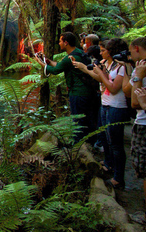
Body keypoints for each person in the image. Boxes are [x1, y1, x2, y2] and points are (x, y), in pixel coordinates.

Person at [73, 38, 130, 189]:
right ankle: (109, 164)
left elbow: (112, 88)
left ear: (112, 52)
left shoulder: (122, 68)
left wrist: (100, 73)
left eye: (103, 50)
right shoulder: (109, 64)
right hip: (105, 105)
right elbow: (100, 78)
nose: (101, 53)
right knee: (105, 138)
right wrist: (84, 68)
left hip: (116, 107)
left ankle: (118, 178)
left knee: (116, 144)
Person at [34, 32, 98, 142]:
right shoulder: (79, 52)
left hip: (78, 93)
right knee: (86, 119)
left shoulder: (71, 57)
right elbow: (60, 65)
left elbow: (55, 70)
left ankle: (79, 146)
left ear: (66, 42)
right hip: (87, 92)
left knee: (78, 121)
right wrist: (48, 61)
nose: (59, 43)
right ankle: (89, 143)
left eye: (60, 41)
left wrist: (41, 63)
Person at [121, 37, 146, 202]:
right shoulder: (139, 67)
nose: (129, 54)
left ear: (136, 48)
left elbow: (135, 102)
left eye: (130, 51)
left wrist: (137, 77)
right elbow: (127, 91)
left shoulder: (142, 70)